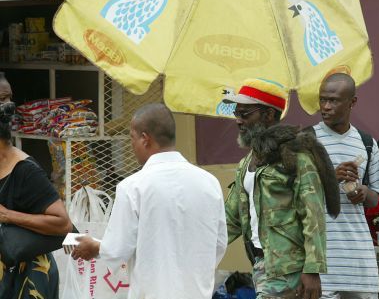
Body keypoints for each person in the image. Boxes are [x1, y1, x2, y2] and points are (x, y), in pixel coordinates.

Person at [72, 103, 227, 299]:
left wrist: (95, 247)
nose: (132, 145)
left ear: (145, 139)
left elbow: (116, 250)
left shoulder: (133, 187)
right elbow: (219, 243)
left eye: (132, 138)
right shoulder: (210, 183)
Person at [223, 78, 339, 299]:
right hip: (260, 265)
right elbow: (231, 218)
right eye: (236, 114)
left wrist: (312, 270)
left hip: (288, 269)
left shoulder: (296, 157)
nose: (238, 120)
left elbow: (312, 215)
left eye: (245, 114)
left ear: (268, 115)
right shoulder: (246, 163)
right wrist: (200, 249)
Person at [311, 72, 379, 299]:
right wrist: (330, 178)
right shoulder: (307, 141)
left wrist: (365, 193)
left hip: (359, 264)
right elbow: (292, 194)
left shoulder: (366, 143)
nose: (325, 106)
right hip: (321, 264)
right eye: (322, 99)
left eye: (333, 100)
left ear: (352, 102)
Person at [0, 72, 73, 299]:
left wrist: (8, 216)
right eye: (2, 100)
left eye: (8, 99)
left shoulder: (24, 170)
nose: (7, 106)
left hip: (27, 278)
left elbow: (63, 224)